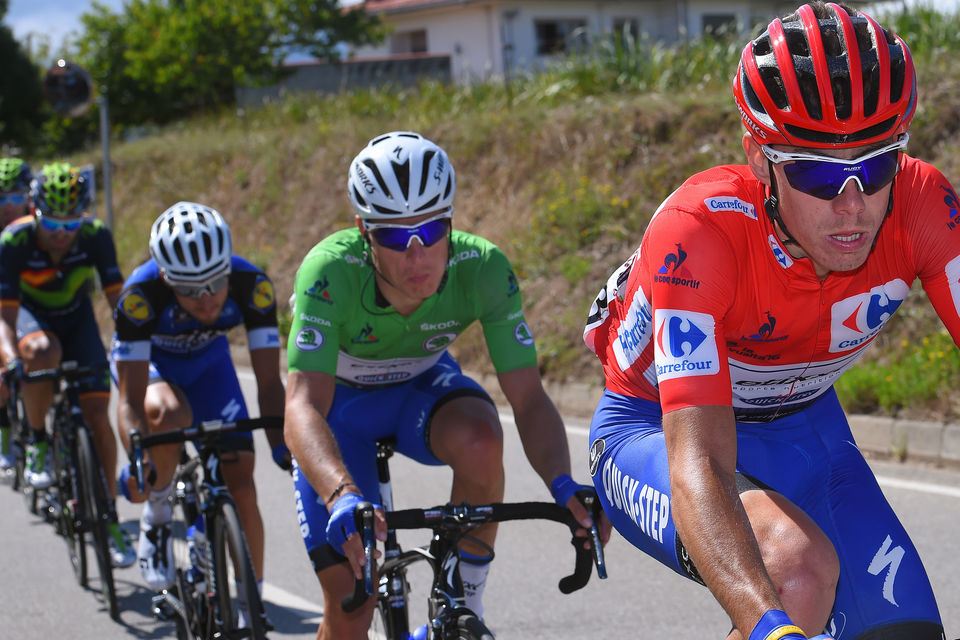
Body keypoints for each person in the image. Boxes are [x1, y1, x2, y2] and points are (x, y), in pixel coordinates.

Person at [583, 3, 950, 639]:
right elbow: (697, 457)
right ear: (761, 160)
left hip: (809, 428)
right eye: (816, 171)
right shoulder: (701, 233)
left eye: (877, 163)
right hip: (656, 431)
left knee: (907, 633)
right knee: (792, 573)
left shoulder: (922, 206)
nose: (852, 206)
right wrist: (767, 628)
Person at [285, 130, 611, 639]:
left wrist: (562, 485)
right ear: (363, 231)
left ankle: (465, 602)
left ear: (451, 223)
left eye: (432, 231)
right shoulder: (330, 272)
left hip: (419, 392)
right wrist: (341, 494)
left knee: (482, 437)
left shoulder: (482, 268)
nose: (417, 255)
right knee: (352, 608)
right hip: (339, 414)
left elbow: (526, 399)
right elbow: (302, 406)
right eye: (394, 237)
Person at [112, 201, 288, 622]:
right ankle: (156, 513)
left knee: (241, 480)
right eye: (190, 290)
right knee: (169, 415)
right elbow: (130, 401)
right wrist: (139, 458)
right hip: (155, 368)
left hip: (210, 366)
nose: (207, 300)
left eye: (214, 284)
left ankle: (251, 601)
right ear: (167, 280)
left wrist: (286, 449)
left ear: (227, 268)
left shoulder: (252, 285)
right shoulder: (139, 296)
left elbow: (269, 384)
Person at [0, 161, 135, 567]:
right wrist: (9, 359)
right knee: (41, 353)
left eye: (71, 224)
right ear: (34, 211)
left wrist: (134, 345)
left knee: (98, 414)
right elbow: (4, 318)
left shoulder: (95, 236)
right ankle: (38, 440)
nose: (62, 235)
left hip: (77, 323)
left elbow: (121, 304)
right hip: (29, 318)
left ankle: (109, 518)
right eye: (53, 225)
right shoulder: (14, 240)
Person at [0, 157, 33, 473]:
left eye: (15, 196)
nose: (8, 205)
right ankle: (5, 430)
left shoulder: (42, 227)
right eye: (1, 197)